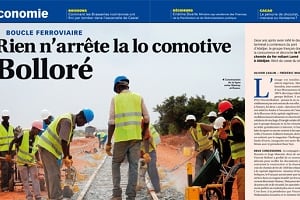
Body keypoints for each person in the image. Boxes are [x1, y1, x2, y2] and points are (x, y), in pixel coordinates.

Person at [106, 75, 150, 200]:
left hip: (121, 138)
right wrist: (142, 133)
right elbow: (146, 118)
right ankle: (131, 196)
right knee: (133, 166)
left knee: (115, 163)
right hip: (136, 137)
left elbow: (111, 122)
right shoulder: (138, 98)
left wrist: (109, 142)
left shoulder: (115, 99)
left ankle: (116, 194)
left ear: (117, 87)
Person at [37, 108, 94, 200]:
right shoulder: (67, 121)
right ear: (80, 117)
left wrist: (68, 155)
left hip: (47, 147)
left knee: (50, 174)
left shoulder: (71, 123)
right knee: (54, 173)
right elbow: (63, 141)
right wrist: (65, 157)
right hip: (47, 147)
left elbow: (67, 142)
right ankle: (57, 197)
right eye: (84, 122)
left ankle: (52, 196)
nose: (83, 124)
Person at [8, 120, 44, 200]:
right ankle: (29, 197)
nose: (38, 132)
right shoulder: (23, 134)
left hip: (31, 162)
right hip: (21, 162)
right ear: (33, 128)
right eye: (38, 130)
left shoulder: (37, 138)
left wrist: (38, 160)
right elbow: (12, 142)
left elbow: (36, 151)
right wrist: (9, 154)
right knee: (25, 181)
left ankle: (38, 196)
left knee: (35, 179)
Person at [218, 100, 245, 200]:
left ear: (227, 112)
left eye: (223, 114)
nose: (223, 117)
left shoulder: (235, 122)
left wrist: (227, 137)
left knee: (242, 187)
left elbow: (241, 138)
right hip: (240, 158)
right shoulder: (235, 121)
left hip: (243, 158)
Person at [213, 116, 234, 200]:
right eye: (217, 129)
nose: (218, 131)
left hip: (231, 159)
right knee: (219, 179)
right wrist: (221, 162)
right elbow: (216, 151)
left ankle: (228, 198)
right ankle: (220, 196)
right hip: (221, 160)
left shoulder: (230, 133)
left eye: (219, 128)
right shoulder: (216, 136)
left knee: (229, 180)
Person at [137, 123, 161, 195]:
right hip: (142, 150)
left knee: (152, 169)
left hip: (150, 150)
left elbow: (147, 139)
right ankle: (140, 185)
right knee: (142, 167)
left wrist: (147, 153)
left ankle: (157, 190)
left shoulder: (143, 125)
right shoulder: (134, 127)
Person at [0, 109, 15, 192]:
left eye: (7, 117)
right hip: (3, 151)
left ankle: (10, 184)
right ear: (2, 117)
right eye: (4, 117)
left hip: (11, 151)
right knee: (5, 168)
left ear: (9, 117)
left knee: (11, 168)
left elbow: (15, 139)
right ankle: (4, 186)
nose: (6, 118)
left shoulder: (12, 128)